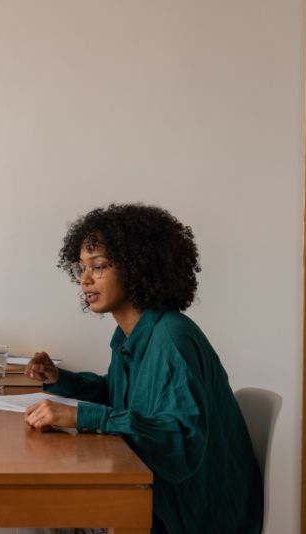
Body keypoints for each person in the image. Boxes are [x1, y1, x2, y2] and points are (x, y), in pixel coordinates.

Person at [22, 204, 263, 534]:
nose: (85, 280)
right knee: (41, 511)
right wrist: (60, 379)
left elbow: (179, 438)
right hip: (161, 493)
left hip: (190, 514)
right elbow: (120, 394)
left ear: (137, 268)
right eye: (81, 268)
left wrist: (81, 417)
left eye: (100, 266)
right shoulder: (131, 334)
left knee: (41, 514)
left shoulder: (172, 338)